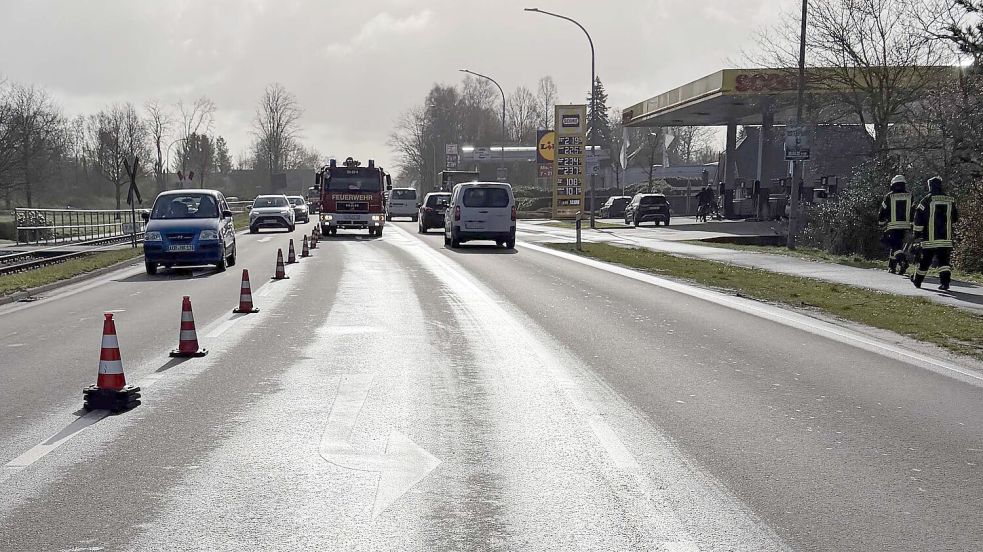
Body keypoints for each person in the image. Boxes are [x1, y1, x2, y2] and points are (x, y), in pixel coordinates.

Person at [912, 176, 959, 290]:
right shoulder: (950, 200)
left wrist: (917, 234)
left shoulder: (926, 200)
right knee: (944, 262)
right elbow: (955, 217)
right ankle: (945, 283)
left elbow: (918, 218)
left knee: (925, 261)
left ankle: (917, 281)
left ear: (930, 186)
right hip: (945, 239)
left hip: (930, 239)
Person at [877, 174, 913, 274]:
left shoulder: (889, 196)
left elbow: (882, 211)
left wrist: (880, 222)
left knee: (894, 246)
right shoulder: (910, 196)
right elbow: (913, 211)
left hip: (893, 226)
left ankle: (903, 262)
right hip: (906, 226)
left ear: (893, 184)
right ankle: (892, 267)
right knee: (897, 246)